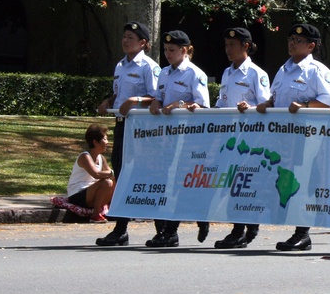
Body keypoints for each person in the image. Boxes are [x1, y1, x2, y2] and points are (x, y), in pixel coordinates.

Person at [257, 23, 330, 251]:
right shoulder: (283, 70)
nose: (292, 43)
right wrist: (268, 104)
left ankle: (302, 233)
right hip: (283, 137)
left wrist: (305, 105)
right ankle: (298, 229)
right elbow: (276, 98)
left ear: (311, 46)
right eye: (290, 39)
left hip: (308, 137)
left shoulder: (317, 71)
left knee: (302, 182)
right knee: (288, 181)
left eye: (298, 40)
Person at [94, 21, 160, 247]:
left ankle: (162, 230)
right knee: (121, 175)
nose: (125, 40)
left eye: (131, 37)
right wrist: (109, 101)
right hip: (123, 126)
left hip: (143, 130)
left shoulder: (148, 67)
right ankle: (120, 229)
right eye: (124, 36)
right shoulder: (120, 65)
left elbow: (157, 97)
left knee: (146, 176)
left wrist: (137, 101)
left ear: (143, 43)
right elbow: (119, 95)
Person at [146, 30, 211, 248]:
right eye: (165, 50)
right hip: (165, 137)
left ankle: (199, 219)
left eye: (172, 50)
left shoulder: (195, 74)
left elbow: (202, 105)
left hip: (189, 138)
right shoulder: (164, 73)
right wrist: (156, 101)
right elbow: (160, 97)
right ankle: (164, 231)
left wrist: (180, 104)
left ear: (184, 50)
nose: (167, 54)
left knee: (183, 184)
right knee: (162, 182)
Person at [214, 27, 272, 249]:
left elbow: (266, 105)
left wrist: (251, 107)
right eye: (226, 45)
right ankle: (240, 228)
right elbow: (222, 102)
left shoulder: (257, 74)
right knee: (231, 181)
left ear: (246, 46)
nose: (228, 49)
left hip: (251, 137)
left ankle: (244, 228)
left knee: (245, 183)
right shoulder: (227, 73)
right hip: (230, 136)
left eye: (233, 45)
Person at [66, 124, 116, 223]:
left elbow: (111, 174)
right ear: (95, 142)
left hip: (91, 195)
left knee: (115, 181)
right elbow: (96, 174)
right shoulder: (85, 156)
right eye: (105, 139)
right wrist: (113, 173)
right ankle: (96, 214)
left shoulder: (101, 158)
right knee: (107, 182)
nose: (107, 142)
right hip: (77, 194)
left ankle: (116, 210)